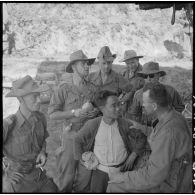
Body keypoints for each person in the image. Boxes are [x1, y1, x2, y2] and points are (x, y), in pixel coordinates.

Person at [107, 82, 192, 193]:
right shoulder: (172, 115)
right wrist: (142, 127)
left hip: (171, 182)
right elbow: (159, 134)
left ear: (154, 106)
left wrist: (123, 177)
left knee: (114, 186)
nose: (142, 105)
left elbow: (153, 176)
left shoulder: (169, 132)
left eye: (144, 102)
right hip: (170, 170)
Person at [73, 90, 147, 192]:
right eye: (113, 105)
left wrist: (133, 155)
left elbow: (142, 138)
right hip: (100, 172)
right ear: (102, 108)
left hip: (122, 171)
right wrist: (83, 161)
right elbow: (77, 140)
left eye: (119, 104)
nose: (118, 108)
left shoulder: (125, 123)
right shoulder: (93, 124)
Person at [48, 50, 99, 192]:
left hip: (88, 138)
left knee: (85, 176)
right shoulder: (63, 88)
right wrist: (72, 112)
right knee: (67, 177)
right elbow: (52, 114)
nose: (87, 66)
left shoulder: (92, 88)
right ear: (74, 67)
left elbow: (97, 109)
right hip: (71, 136)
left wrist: (95, 112)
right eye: (84, 64)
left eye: (88, 64)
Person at [3, 75, 58, 192]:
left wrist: (42, 151)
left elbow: (43, 140)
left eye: (39, 95)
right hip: (17, 180)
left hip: (37, 174)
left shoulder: (40, 118)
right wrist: (4, 174)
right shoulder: (8, 125)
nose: (39, 100)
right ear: (21, 99)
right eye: (34, 97)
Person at [130, 61, 185, 126]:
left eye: (151, 75)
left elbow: (179, 108)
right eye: (145, 76)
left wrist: (169, 120)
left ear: (158, 75)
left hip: (167, 127)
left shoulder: (170, 91)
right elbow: (135, 114)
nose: (148, 79)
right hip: (148, 129)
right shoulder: (138, 94)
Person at [119, 50, 145, 116]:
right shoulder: (124, 71)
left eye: (132, 62)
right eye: (128, 63)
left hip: (137, 107)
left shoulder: (143, 73)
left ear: (138, 60)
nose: (130, 66)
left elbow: (132, 91)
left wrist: (120, 101)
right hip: (124, 104)